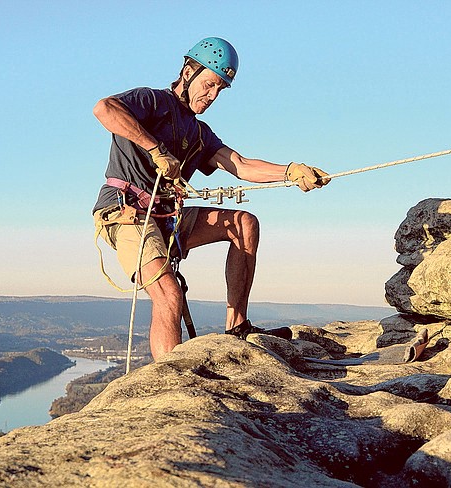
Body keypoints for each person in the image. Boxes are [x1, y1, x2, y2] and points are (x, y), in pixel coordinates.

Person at [92, 37, 330, 361]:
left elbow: (241, 166)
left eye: (220, 89)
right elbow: (105, 109)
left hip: (167, 216)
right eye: (209, 84)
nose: (213, 95)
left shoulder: (200, 133)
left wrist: (290, 171)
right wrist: (155, 149)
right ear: (188, 72)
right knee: (168, 294)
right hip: (127, 210)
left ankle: (238, 325)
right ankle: (170, 382)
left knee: (244, 223)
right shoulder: (153, 102)